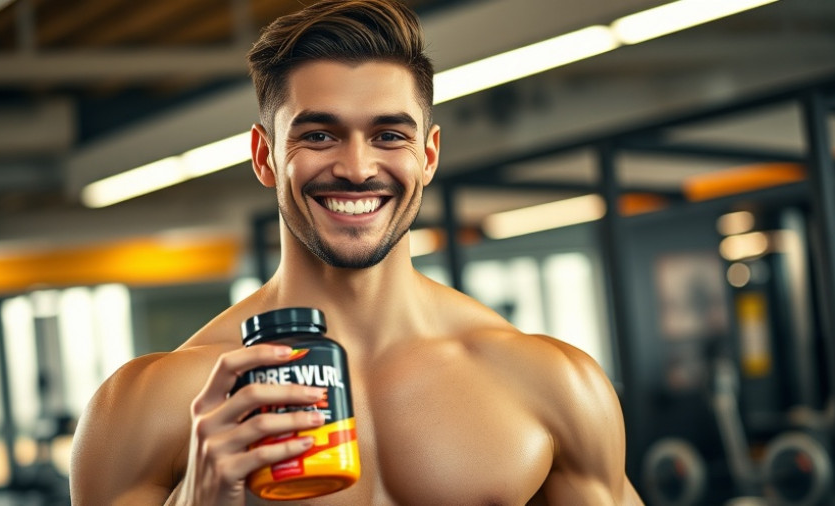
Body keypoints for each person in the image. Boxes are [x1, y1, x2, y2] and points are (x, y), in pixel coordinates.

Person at [69, 0, 644, 504]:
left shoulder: (549, 383)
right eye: (318, 135)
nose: (357, 168)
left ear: (429, 154)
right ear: (265, 155)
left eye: (390, 135)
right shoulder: (150, 405)